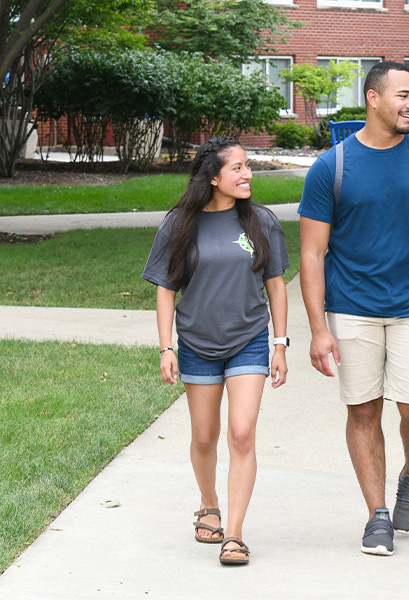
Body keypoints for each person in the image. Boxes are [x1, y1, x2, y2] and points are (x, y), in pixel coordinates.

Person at [298, 61, 409, 556]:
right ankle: (376, 515)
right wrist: (316, 328)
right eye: (403, 95)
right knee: (364, 409)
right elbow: (312, 252)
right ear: (373, 98)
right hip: (350, 306)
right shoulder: (333, 166)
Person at [142, 136, 289, 566]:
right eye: (238, 168)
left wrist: (279, 344)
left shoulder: (261, 222)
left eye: (248, 166)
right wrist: (166, 346)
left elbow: (276, 285)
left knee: (241, 434)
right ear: (213, 177)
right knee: (204, 437)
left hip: (247, 340)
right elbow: (166, 290)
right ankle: (209, 504)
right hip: (196, 344)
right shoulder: (179, 225)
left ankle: (236, 535)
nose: (247, 175)